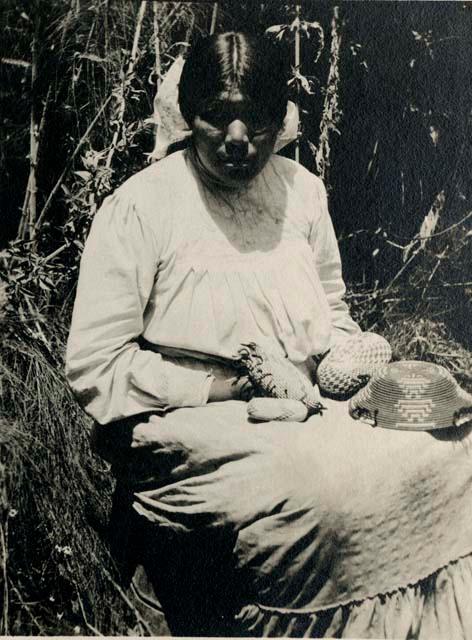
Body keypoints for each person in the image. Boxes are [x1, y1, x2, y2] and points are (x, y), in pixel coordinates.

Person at [66, 32, 472, 638]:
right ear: (188, 114)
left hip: (305, 401)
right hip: (189, 414)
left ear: (279, 119)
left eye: (255, 120)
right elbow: (97, 363)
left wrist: (351, 364)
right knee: (331, 496)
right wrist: (227, 387)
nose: (237, 139)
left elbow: (331, 308)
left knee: (449, 450)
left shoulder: (301, 192)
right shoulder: (141, 207)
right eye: (216, 117)